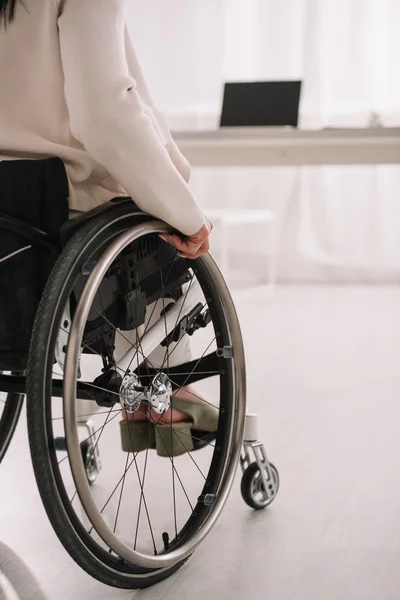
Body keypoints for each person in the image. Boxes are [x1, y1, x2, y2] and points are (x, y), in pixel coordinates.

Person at [0, 0, 216, 453]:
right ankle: (163, 391)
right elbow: (106, 114)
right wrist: (187, 211)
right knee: (159, 224)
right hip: (51, 201)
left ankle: (150, 384)